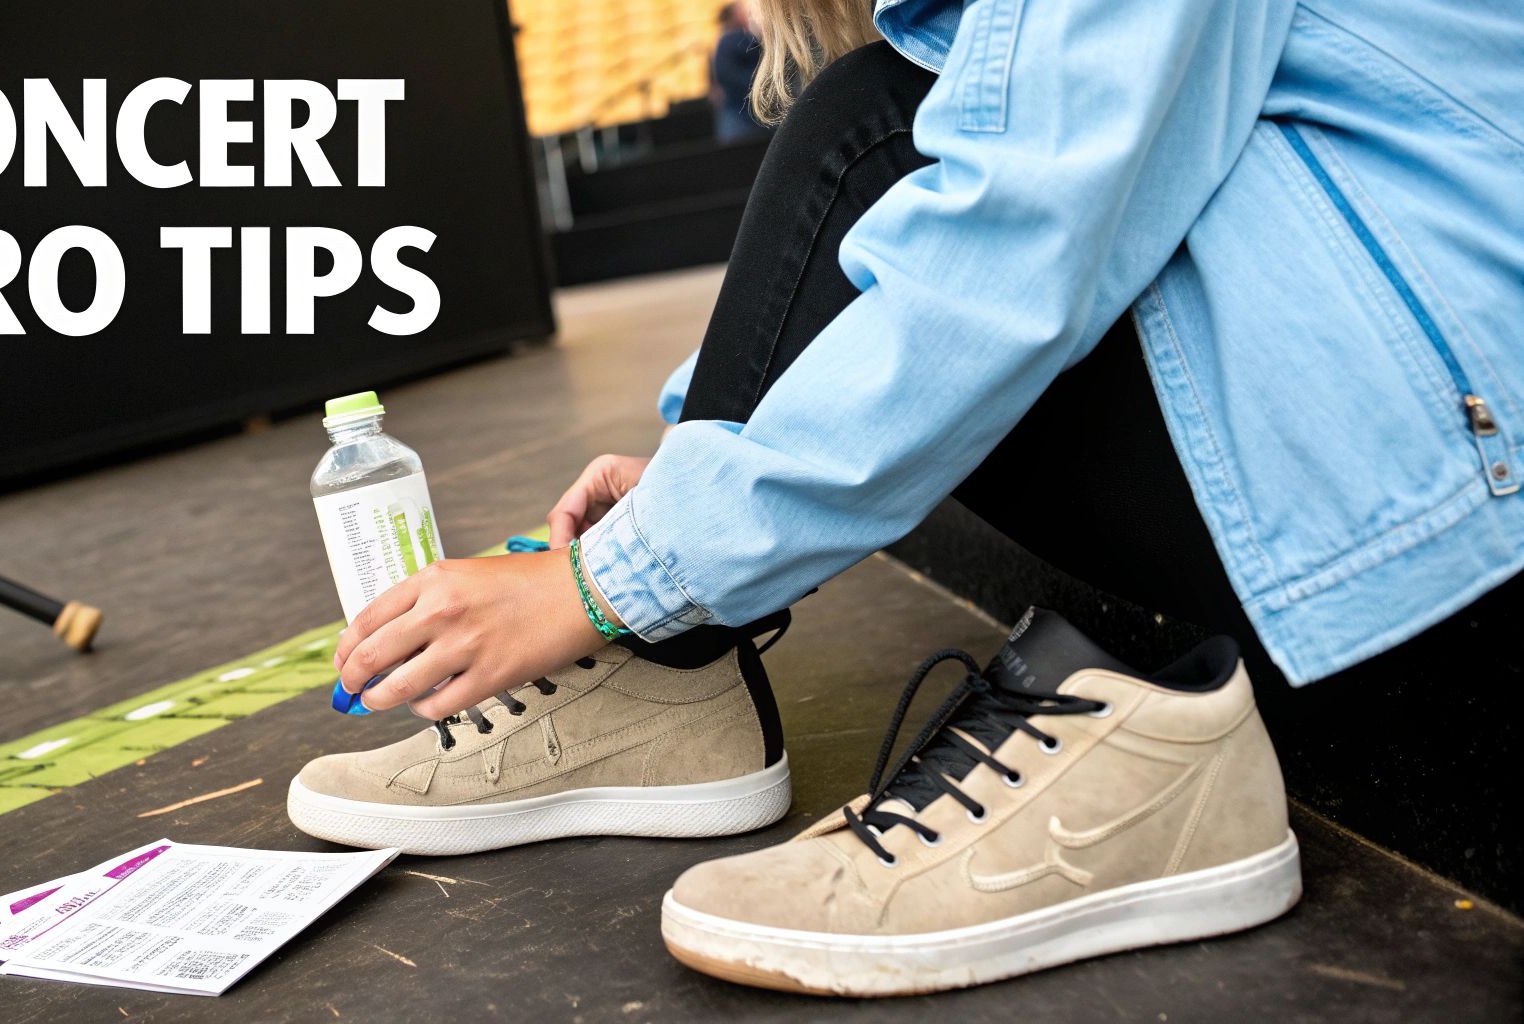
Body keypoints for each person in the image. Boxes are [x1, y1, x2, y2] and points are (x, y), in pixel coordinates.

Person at [288, 0, 1523, 996]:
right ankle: (668, 680)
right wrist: (683, 492)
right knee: (872, 114)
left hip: (1473, 410)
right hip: (1421, 356)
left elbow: (1022, 224)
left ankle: (670, 659)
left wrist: (607, 579)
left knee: (876, 131)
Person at [709, 4, 770, 143]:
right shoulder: (732, 41)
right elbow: (729, 77)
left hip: (744, 117)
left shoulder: (734, 41)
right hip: (742, 119)